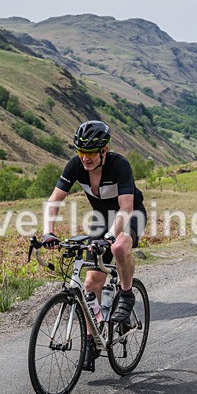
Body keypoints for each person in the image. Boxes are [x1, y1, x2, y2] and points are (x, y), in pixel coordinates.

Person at [41, 120, 146, 371]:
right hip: (101, 220)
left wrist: (110, 236)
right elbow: (54, 200)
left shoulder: (119, 165)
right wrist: (48, 232)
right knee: (89, 284)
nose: (84, 158)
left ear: (104, 151)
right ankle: (90, 339)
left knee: (119, 247)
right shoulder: (76, 165)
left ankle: (128, 293)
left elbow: (126, 208)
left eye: (90, 152)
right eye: (81, 152)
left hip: (130, 215)